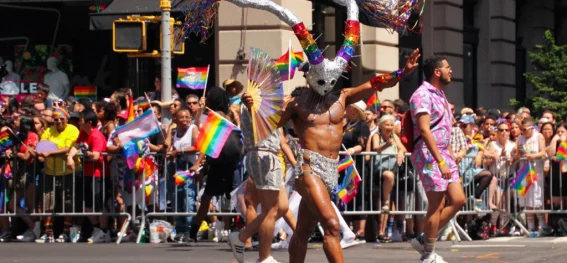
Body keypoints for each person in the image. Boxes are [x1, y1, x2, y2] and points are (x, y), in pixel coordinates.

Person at [242, 49, 421, 263]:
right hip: (309, 169)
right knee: (332, 224)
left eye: (330, 78)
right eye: (321, 77)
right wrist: (255, 108)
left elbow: (375, 84)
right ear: (310, 77)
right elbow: (268, 125)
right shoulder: (296, 104)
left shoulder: (342, 97)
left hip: (330, 171)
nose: (326, 82)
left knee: (302, 231)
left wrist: (402, 72)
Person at [408, 57, 466, 263]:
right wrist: (440, 161)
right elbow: (424, 130)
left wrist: (448, 155)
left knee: (458, 199)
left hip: (444, 152)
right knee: (437, 204)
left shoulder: (440, 94)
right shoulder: (421, 95)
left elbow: (444, 128)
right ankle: (428, 254)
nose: (451, 70)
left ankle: (425, 238)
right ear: (437, 72)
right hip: (429, 154)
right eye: (448, 67)